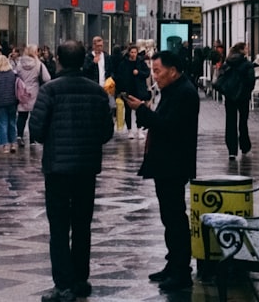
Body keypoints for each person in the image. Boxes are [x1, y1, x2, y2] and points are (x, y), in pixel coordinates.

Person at [29, 40, 114, 302]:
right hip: (86, 168)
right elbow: (106, 132)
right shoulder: (97, 92)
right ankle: (80, 278)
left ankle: (63, 284)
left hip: (57, 168)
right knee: (81, 225)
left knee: (59, 226)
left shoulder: (50, 91)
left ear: (58, 60)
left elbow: (37, 131)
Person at [124, 49, 200, 293]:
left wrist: (142, 110)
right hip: (166, 163)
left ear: (173, 71)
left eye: (158, 71)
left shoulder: (185, 93)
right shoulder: (173, 90)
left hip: (174, 163)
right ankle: (173, 264)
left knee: (175, 217)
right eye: (153, 70)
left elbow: (170, 127)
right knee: (169, 217)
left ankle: (181, 270)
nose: (154, 76)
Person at [217, 42, 256, 159]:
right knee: (243, 122)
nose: (248, 50)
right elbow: (251, 81)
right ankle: (245, 146)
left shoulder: (228, 63)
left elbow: (222, 77)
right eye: (246, 48)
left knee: (230, 122)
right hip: (243, 98)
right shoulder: (247, 64)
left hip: (230, 97)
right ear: (242, 50)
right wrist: (246, 91)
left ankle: (232, 151)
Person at [15, 45, 50, 147]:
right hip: (34, 91)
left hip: (22, 90)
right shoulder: (38, 64)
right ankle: (32, 139)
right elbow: (47, 78)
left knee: (22, 115)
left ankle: (19, 136)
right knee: (33, 116)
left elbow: (16, 74)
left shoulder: (20, 63)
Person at [115, 45, 151, 139]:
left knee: (139, 109)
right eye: (132, 52)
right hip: (128, 89)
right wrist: (120, 89)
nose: (133, 54)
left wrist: (139, 73)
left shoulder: (140, 62)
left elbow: (147, 73)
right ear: (129, 53)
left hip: (139, 89)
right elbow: (119, 76)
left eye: (135, 52)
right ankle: (130, 130)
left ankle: (139, 129)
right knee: (128, 110)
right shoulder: (124, 63)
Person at [0, 54, 19, 153]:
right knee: (12, 123)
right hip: (12, 101)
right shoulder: (12, 74)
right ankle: (13, 143)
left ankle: (5, 145)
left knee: (2, 123)